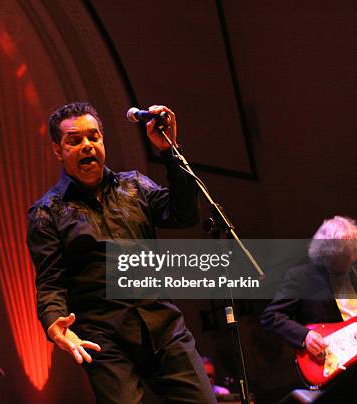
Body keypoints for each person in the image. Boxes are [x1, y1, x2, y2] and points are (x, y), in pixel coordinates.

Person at [27, 102, 215, 403]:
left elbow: (182, 214)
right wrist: (53, 324)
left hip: (164, 328)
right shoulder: (47, 213)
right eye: (74, 141)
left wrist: (169, 150)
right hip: (105, 339)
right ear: (57, 151)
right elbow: (50, 282)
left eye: (93, 137)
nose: (87, 146)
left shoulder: (136, 186)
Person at [261, 216, 357, 358]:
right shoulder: (301, 277)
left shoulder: (353, 272)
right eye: (345, 256)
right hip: (335, 361)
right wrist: (305, 336)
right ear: (327, 254)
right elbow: (271, 316)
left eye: (353, 252)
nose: (352, 258)